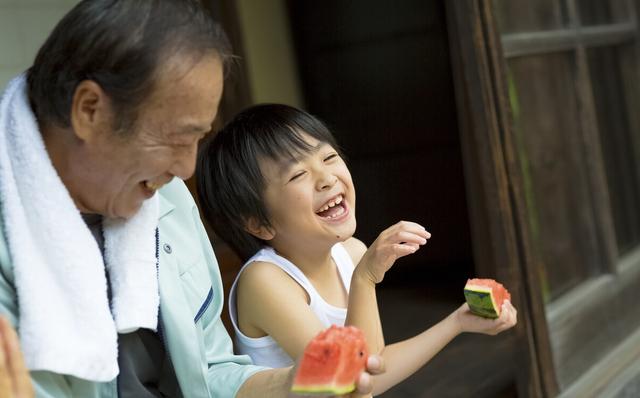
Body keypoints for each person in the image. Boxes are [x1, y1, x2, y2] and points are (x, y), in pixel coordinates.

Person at [0, 1, 382, 397]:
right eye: (176, 138)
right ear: (90, 110)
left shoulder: (168, 202)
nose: (186, 168)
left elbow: (211, 372)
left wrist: (292, 384)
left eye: (198, 139)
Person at [196, 104, 518, 395]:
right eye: (298, 174)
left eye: (328, 157)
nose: (326, 179)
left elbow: (374, 364)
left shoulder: (350, 252)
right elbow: (352, 384)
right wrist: (365, 278)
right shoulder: (263, 281)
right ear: (259, 224)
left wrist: (458, 322)